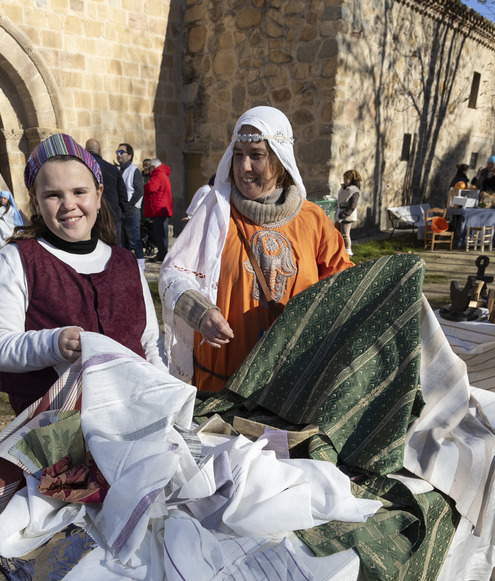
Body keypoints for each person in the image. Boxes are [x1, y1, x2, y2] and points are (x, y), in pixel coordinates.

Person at [159, 106, 354, 391]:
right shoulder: (214, 213)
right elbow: (172, 274)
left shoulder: (313, 220)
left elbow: (344, 285)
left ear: (279, 159)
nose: (244, 167)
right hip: (221, 385)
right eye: (238, 154)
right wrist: (199, 312)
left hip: (290, 383)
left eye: (256, 156)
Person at [0, 133, 164, 413]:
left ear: (98, 195)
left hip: (132, 413)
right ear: (36, 203)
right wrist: (52, 343)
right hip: (55, 428)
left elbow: (149, 342)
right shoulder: (17, 260)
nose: (68, 205)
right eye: (53, 195)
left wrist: (163, 391)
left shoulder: (125, 262)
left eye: (79, 192)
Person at [84, 138, 127, 241]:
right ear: (99, 150)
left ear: (85, 151)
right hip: (113, 214)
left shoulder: (83, 168)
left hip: (92, 216)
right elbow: (122, 193)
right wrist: (123, 213)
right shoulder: (112, 169)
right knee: (115, 247)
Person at [115, 143, 145, 269]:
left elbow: (139, 191)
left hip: (131, 210)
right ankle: (127, 267)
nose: (118, 155)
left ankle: (140, 267)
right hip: (122, 210)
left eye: (122, 152)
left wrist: (129, 205)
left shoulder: (134, 170)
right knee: (124, 241)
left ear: (130, 155)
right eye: (117, 152)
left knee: (135, 240)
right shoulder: (118, 170)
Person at [144, 158, 173, 263]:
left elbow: (151, 187)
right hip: (162, 208)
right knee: (162, 233)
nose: (149, 170)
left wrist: (143, 186)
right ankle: (162, 254)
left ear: (153, 167)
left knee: (160, 234)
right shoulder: (162, 173)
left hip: (159, 209)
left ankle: (162, 255)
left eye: (150, 167)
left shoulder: (158, 174)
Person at [0, 190, 25, 258]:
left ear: (8, 199)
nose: (2, 200)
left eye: (5, 198)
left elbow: (12, 222)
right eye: (1, 198)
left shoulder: (12, 209)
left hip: (8, 229)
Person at [336, 169, 362, 256]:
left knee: (345, 234)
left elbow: (352, 206)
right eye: (344, 178)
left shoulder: (354, 191)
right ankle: (338, 250)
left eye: (346, 179)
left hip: (347, 215)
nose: (344, 181)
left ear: (352, 180)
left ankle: (348, 251)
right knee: (336, 232)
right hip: (340, 213)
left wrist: (344, 214)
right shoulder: (344, 188)